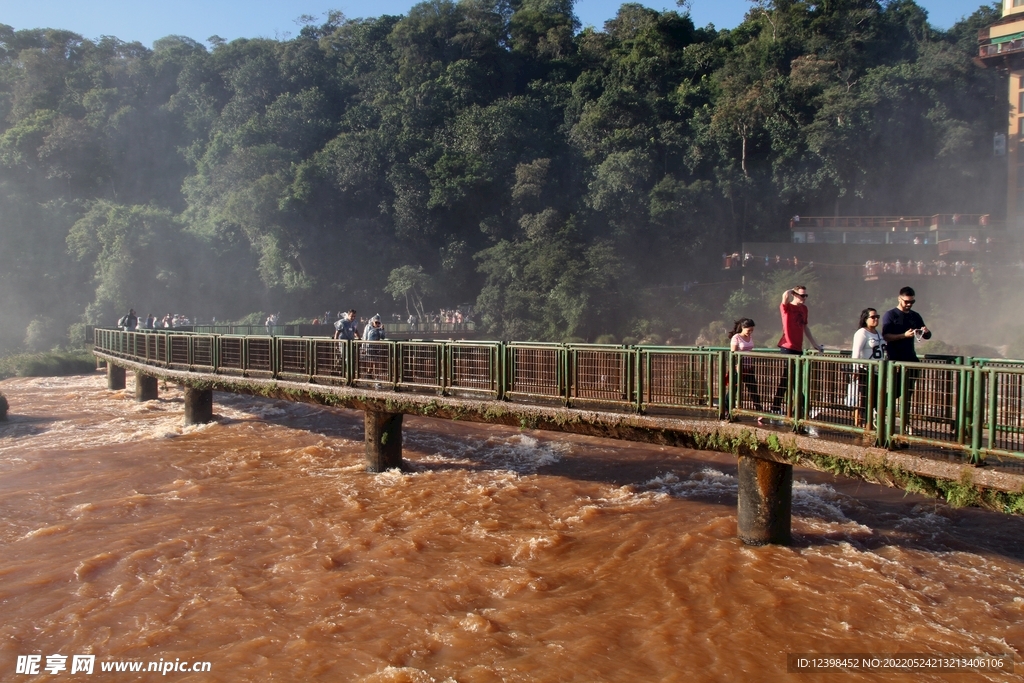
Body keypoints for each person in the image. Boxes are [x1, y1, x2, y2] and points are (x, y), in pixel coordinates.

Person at [882, 286, 932, 438]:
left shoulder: (915, 316)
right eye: (907, 302)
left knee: (908, 394)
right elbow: (886, 336)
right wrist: (903, 335)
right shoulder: (890, 315)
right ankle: (879, 409)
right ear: (899, 298)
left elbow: (925, 336)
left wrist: (926, 332)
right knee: (896, 391)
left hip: (911, 359)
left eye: (912, 302)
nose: (909, 304)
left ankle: (905, 424)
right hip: (895, 359)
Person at [772, 286, 822, 414]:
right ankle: (800, 407)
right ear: (794, 295)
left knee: (790, 377)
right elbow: (784, 297)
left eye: (806, 296)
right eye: (802, 295)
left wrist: (814, 344)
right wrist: (789, 291)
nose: (804, 298)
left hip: (798, 347)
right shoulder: (787, 307)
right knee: (791, 377)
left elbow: (805, 327)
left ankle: (784, 407)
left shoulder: (804, 309)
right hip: (787, 346)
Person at [850, 308, 885, 426]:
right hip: (864, 370)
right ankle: (859, 424)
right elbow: (856, 353)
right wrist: (855, 369)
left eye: (878, 317)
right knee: (862, 399)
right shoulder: (862, 333)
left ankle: (869, 424)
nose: (876, 319)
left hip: (877, 371)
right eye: (873, 317)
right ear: (865, 319)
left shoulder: (878, 333)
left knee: (874, 399)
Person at [729, 318, 764, 423]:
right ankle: (727, 409)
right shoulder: (736, 337)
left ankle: (759, 411)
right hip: (739, 368)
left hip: (749, 367)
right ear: (743, 328)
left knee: (753, 389)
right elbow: (733, 353)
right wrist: (736, 365)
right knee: (734, 389)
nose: (750, 332)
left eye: (752, 330)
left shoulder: (750, 336)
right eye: (749, 330)